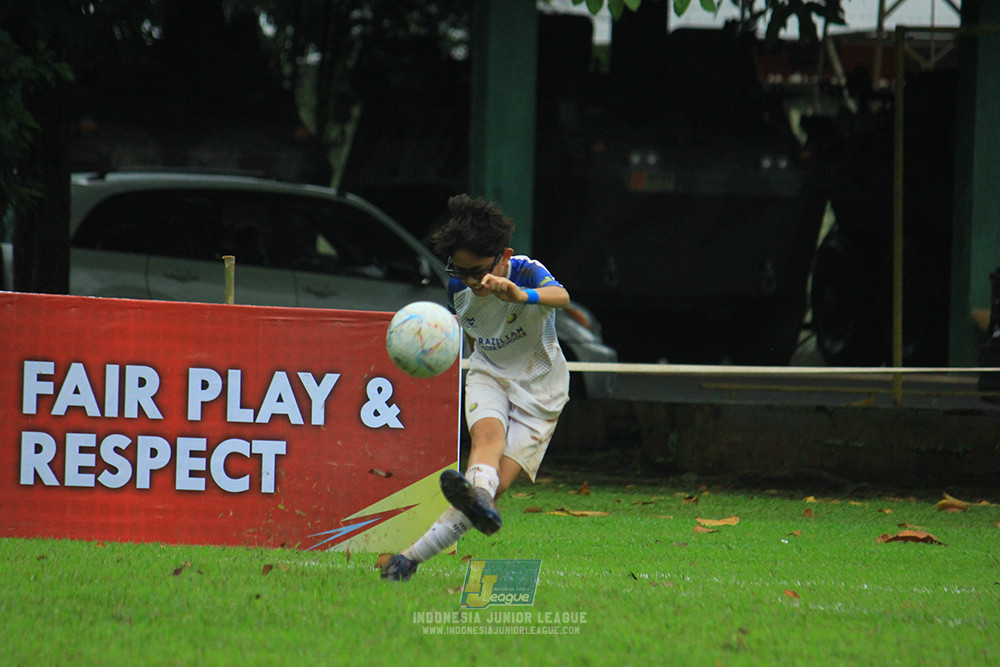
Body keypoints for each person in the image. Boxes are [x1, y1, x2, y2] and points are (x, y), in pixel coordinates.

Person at [381, 194, 571, 582]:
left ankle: (411, 558)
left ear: (504, 257)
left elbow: (562, 297)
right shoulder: (457, 288)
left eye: (478, 271)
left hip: (542, 389)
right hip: (489, 372)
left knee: (494, 488)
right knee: (486, 436)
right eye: (461, 271)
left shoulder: (527, 272)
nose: (469, 280)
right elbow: (472, 332)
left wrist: (521, 295)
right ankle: (475, 495)